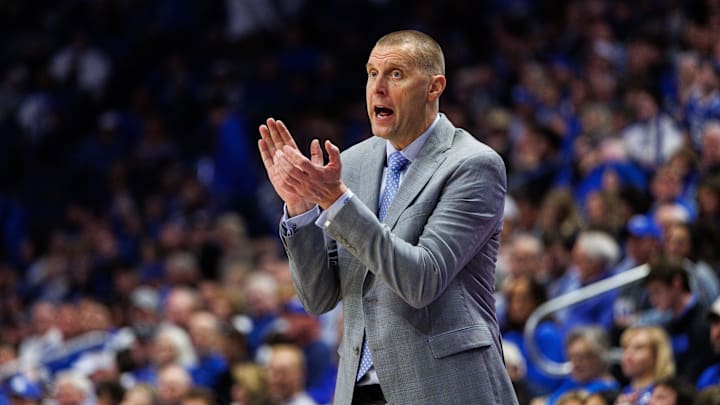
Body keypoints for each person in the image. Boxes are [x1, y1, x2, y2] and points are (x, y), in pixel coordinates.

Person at [257, 29, 517, 404]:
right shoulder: (352, 164)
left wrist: (336, 201)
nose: (377, 87)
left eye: (395, 74)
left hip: (444, 387)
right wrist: (300, 208)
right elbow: (318, 299)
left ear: (434, 87)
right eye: (371, 73)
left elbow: (421, 280)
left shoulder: (473, 165)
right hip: (358, 390)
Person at [615, 326, 675, 405]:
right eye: (625, 348)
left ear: (657, 355)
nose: (628, 355)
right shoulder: (623, 393)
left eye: (638, 348)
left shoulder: (667, 392)